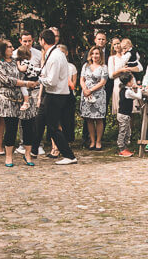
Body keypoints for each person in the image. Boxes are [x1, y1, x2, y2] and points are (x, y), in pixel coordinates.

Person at [34, 29, 77, 164]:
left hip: (56, 94)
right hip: (53, 94)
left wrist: (37, 80)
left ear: (42, 40)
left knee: (52, 127)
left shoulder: (54, 56)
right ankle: (33, 149)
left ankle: (69, 156)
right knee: (40, 120)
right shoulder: (53, 53)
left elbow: (51, 81)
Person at [0, 40, 23, 167]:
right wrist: (22, 83)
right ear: (2, 49)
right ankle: (9, 156)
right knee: (11, 126)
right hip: (7, 98)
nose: (12, 48)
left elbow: (23, 73)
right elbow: (5, 79)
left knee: (24, 126)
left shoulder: (15, 62)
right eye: (9, 47)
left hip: (20, 97)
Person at [108, 37, 142, 156]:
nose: (118, 46)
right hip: (121, 84)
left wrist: (130, 69)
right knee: (122, 114)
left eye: (120, 44)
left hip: (130, 83)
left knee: (130, 113)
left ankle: (128, 141)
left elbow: (140, 67)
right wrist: (122, 69)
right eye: (116, 44)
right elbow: (111, 75)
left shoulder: (131, 55)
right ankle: (121, 145)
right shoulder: (113, 58)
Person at [79, 47, 108, 150]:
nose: (95, 56)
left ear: (100, 55)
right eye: (93, 54)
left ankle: (98, 141)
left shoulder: (104, 67)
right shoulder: (86, 66)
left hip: (98, 94)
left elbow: (103, 82)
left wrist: (91, 90)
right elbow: (82, 79)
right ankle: (92, 141)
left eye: (97, 54)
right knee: (89, 119)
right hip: (86, 94)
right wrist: (85, 89)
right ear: (90, 55)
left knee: (99, 119)